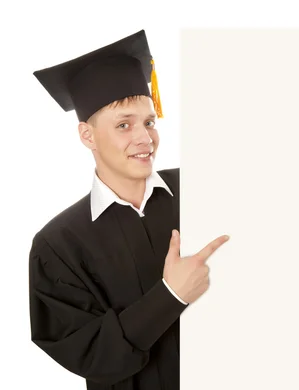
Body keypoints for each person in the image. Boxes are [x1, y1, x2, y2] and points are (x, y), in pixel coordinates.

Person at [29, 30, 229, 390]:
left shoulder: (203, 189)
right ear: (88, 136)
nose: (144, 138)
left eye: (149, 122)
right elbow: (89, 354)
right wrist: (170, 296)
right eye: (124, 125)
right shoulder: (58, 246)